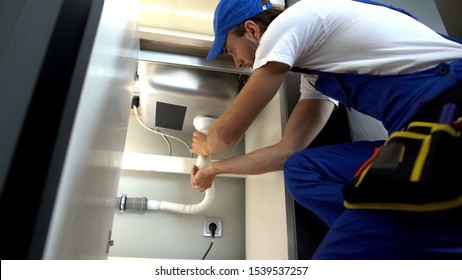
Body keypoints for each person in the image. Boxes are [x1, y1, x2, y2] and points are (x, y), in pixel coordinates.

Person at [189, 0, 462, 259]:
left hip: (447, 97)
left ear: (252, 30)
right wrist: (214, 169)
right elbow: (287, 151)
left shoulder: (290, 24)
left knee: (349, 250)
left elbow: (225, 135)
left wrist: (207, 146)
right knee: (301, 168)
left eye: (231, 50)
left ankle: (384, 235)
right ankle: (388, 234)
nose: (237, 62)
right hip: (414, 127)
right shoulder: (315, 73)